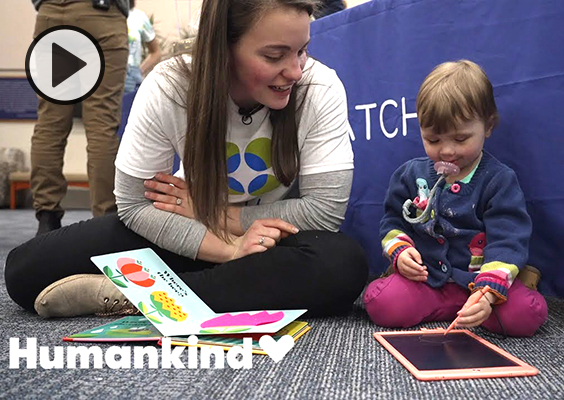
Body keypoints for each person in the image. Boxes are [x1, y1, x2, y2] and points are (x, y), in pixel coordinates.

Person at [6, 0, 368, 319]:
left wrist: (214, 214)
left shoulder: (319, 88)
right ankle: (208, 287)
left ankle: (137, 296)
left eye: (302, 50)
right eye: (274, 56)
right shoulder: (169, 86)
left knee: (343, 264)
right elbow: (133, 205)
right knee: (24, 272)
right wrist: (226, 249)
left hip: (264, 244)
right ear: (222, 48)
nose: (295, 71)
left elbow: (323, 212)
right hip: (185, 233)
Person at [363, 60, 547, 337]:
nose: (447, 151)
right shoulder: (410, 175)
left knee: (526, 315)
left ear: (488, 126)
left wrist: (487, 293)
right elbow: (392, 222)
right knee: (382, 304)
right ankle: (451, 306)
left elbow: (509, 238)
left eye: (461, 139)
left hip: (481, 283)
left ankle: (499, 291)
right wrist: (400, 252)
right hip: (428, 281)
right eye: (433, 140)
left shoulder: (499, 180)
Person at [30, 0, 129, 235]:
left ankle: (47, 216)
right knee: (101, 125)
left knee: (49, 124)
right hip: (100, 15)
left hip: (51, 15)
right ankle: (105, 220)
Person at [124, 0, 161, 93]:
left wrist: (138, 71)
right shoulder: (98, 15)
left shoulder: (138, 17)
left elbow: (155, 52)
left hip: (131, 79)